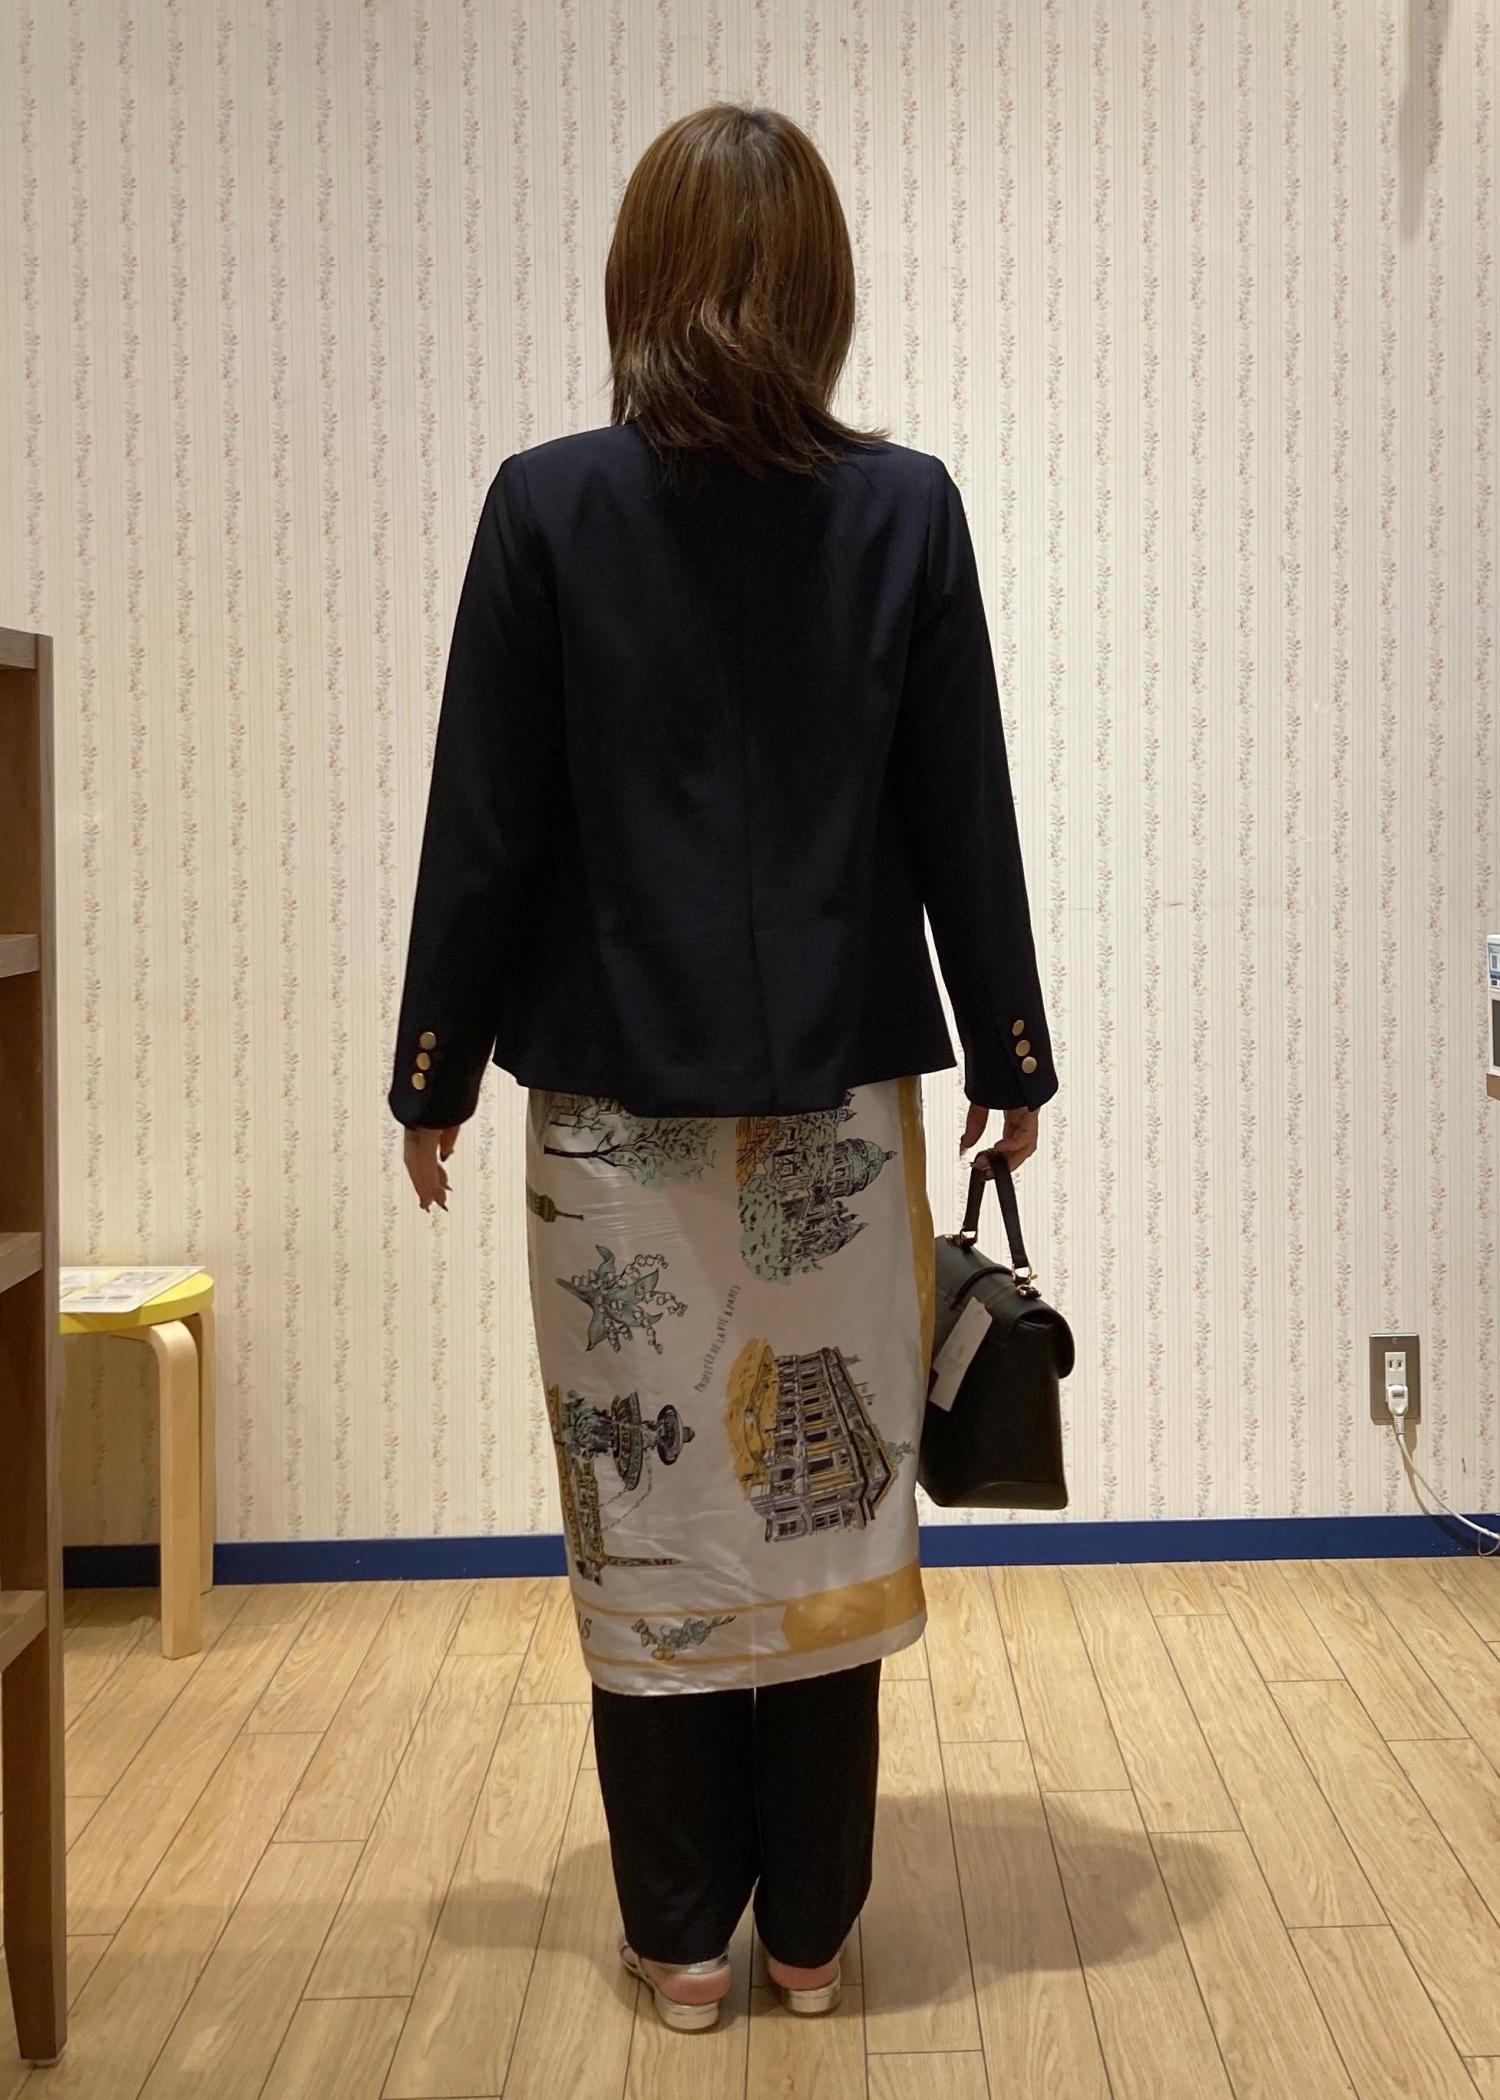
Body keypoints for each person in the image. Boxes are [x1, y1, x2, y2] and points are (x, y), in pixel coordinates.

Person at [388, 101, 1058, 2033]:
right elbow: (961, 810)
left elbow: (486, 825)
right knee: (822, 1504)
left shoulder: (546, 508)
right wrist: (1012, 1047)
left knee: (655, 1510)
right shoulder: (907, 510)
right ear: (825, 289)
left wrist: (433, 1071)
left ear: (639, 281)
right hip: (837, 1123)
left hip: (609, 1118)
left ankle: (682, 1942)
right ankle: (816, 1936)